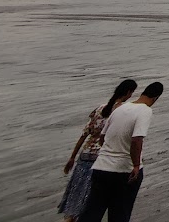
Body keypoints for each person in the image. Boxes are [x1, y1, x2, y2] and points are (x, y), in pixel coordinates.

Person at [77, 82, 162, 222]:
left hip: (101, 168)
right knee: (120, 213)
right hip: (124, 171)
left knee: (92, 212)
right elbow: (137, 140)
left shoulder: (119, 108)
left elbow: (102, 138)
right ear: (155, 98)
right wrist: (135, 165)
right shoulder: (145, 110)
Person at [60, 79, 136, 222]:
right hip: (102, 159)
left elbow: (85, 134)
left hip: (85, 155)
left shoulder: (100, 108)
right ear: (128, 92)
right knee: (92, 199)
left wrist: (72, 157)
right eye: (132, 92)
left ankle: (70, 218)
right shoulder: (122, 111)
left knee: (77, 194)